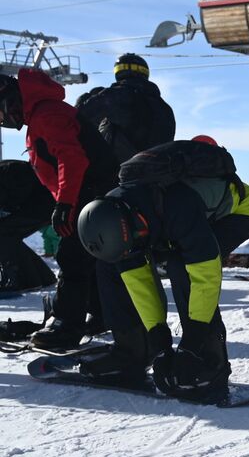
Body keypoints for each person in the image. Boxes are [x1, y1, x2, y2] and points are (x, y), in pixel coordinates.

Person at [75, 139, 249, 398]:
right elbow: (139, 281)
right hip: (164, 222)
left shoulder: (177, 205)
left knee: (181, 264)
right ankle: (133, 351)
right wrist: (159, 340)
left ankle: (209, 364)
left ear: (136, 226)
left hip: (235, 212)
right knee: (110, 267)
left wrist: (191, 343)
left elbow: (205, 276)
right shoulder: (116, 221)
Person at [0, 69, 117, 349]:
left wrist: (65, 203)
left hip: (86, 192)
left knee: (72, 257)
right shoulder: (41, 113)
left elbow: (72, 159)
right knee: (87, 256)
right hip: (86, 192)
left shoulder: (46, 114)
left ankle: (66, 326)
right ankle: (101, 314)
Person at [74, 53, 176, 165]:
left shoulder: (117, 95)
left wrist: (84, 100)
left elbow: (78, 119)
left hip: (118, 173)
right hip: (157, 173)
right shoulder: (164, 107)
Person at [0, 160, 57, 293]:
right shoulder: (6, 169)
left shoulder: (7, 170)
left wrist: (9, 208)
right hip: (41, 204)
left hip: (41, 205)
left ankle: (14, 280)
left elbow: (20, 188)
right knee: (10, 237)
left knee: (3, 233)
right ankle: (43, 277)